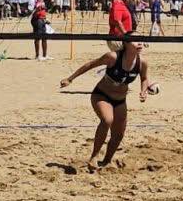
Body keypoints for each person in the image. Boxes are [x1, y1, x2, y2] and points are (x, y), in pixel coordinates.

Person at [60, 34, 153, 170]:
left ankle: (107, 161)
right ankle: (94, 157)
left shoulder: (142, 62)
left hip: (120, 100)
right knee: (107, 120)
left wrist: (143, 91)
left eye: (141, 40)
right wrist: (70, 78)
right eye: (135, 40)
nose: (140, 43)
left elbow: (144, 78)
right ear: (126, 44)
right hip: (101, 95)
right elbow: (91, 64)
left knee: (119, 133)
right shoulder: (113, 57)